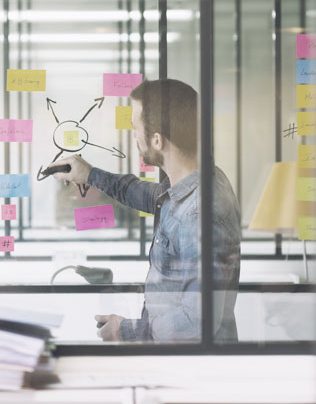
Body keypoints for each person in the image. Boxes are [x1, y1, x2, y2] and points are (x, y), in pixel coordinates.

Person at [48, 79, 241, 343]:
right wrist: (89, 174)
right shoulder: (194, 186)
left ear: (158, 140)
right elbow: (144, 194)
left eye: (136, 127)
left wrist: (125, 329)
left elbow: (197, 323)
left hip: (190, 369)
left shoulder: (199, 214)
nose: (134, 135)